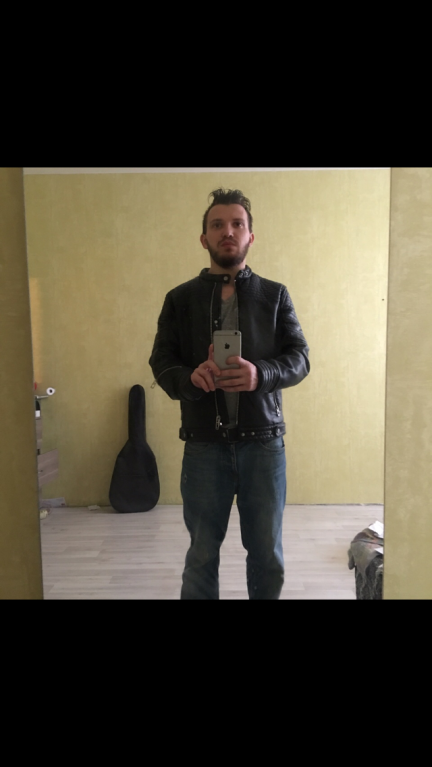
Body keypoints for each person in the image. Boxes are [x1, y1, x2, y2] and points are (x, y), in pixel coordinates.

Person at [149, 188, 310, 599]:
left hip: (264, 444)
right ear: (203, 238)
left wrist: (262, 375)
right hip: (204, 445)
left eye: (237, 224)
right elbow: (161, 362)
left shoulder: (274, 295)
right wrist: (190, 379)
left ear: (250, 236)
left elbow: (300, 359)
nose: (228, 231)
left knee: (267, 556)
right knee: (201, 555)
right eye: (217, 224)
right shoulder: (179, 299)